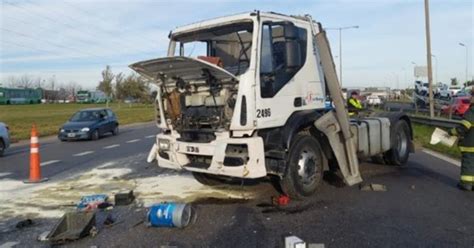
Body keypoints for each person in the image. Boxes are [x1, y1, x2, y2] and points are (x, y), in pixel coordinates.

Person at [450, 88, 474, 191]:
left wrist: (452, 132)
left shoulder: (472, 111)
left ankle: (466, 184)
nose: (470, 98)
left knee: (468, 163)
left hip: (470, 143)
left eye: (471, 96)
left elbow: (464, 126)